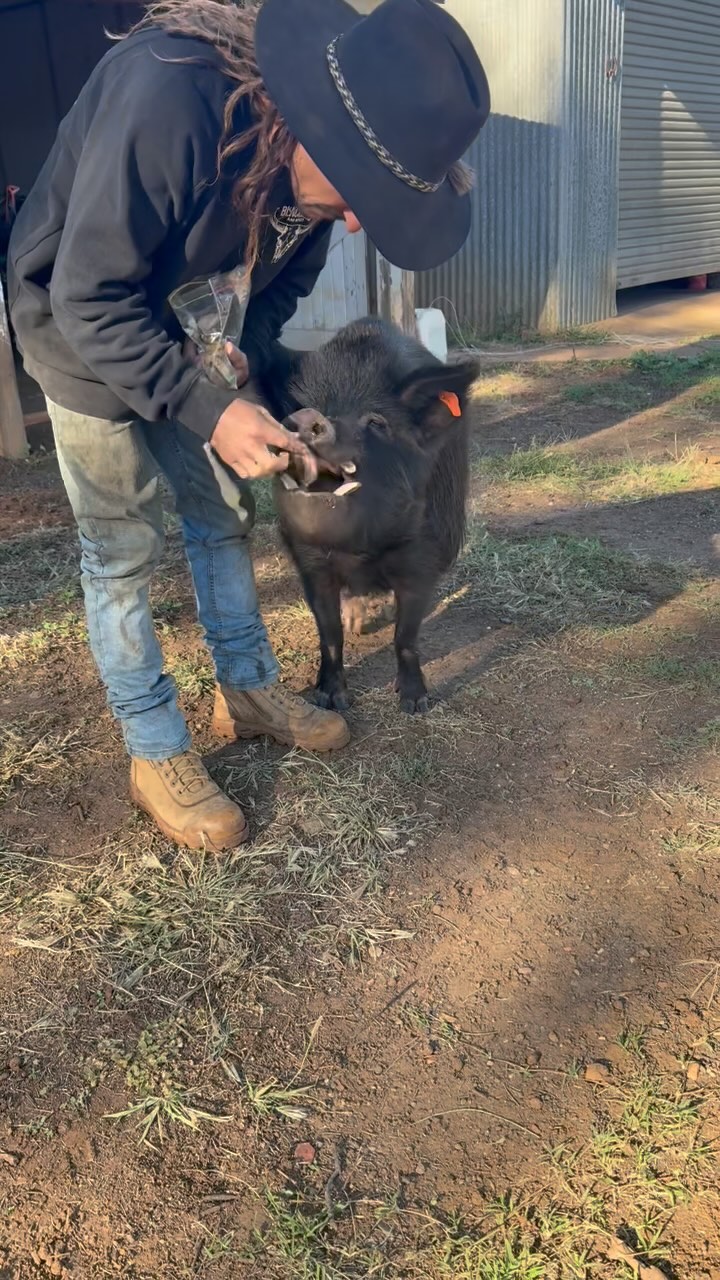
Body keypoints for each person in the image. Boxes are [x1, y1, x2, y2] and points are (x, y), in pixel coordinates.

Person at [8, 0, 490, 852]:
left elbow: (268, 303)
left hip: (188, 342)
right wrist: (210, 408)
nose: (353, 222)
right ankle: (157, 749)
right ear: (315, 126)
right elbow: (89, 295)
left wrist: (253, 386)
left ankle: (250, 689)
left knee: (225, 517)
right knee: (120, 550)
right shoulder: (168, 102)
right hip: (81, 333)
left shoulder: (312, 192)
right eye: (361, 194)